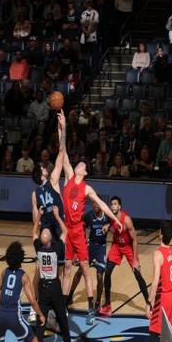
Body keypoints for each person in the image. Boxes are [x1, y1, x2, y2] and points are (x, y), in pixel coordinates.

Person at [59, 111, 121, 324]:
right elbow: (62, 150)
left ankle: (91, 308)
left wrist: (115, 219)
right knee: (67, 268)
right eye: (79, 164)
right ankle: (63, 306)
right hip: (67, 230)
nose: (79, 164)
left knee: (85, 270)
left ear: (85, 172)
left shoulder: (86, 188)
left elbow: (102, 204)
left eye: (82, 165)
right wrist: (63, 127)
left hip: (77, 231)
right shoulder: (69, 176)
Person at [100, 196, 149, 316]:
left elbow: (135, 240)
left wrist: (135, 259)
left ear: (120, 206)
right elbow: (111, 225)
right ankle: (107, 305)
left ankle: (149, 304)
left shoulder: (126, 219)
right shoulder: (110, 217)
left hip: (128, 247)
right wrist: (107, 226)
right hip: (116, 246)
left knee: (137, 274)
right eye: (112, 204)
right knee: (107, 272)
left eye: (115, 204)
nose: (113, 206)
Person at [32, 206, 72, 342]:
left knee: (41, 320)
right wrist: (57, 215)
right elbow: (65, 232)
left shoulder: (38, 247)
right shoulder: (57, 248)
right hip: (54, 286)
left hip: (43, 288)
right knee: (62, 318)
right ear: (50, 239)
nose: (45, 230)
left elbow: (33, 232)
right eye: (46, 231)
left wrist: (39, 216)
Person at [67, 201, 110, 311]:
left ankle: (97, 301)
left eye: (97, 204)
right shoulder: (89, 215)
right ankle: (70, 294)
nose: (95, 206)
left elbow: (114, 223)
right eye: (94, 204)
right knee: (80, 271)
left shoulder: (107, 216)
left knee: (100, 276)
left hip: (101, 248)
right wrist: (83, 240)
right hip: (90, 247)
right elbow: (80, 227)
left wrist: (108, 225)